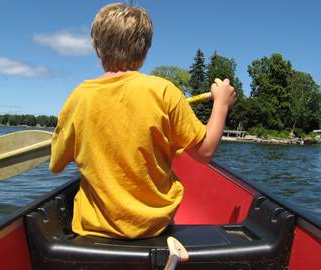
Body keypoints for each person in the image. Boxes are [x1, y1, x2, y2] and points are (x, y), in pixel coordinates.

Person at [49, 2, 236, 239]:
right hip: (154, 227)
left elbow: (56, 164)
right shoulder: (163, 91)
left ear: (97, 47)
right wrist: (221, 104)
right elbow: (205, 152)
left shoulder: (78, 97)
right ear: (145, 49)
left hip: (95, 229)